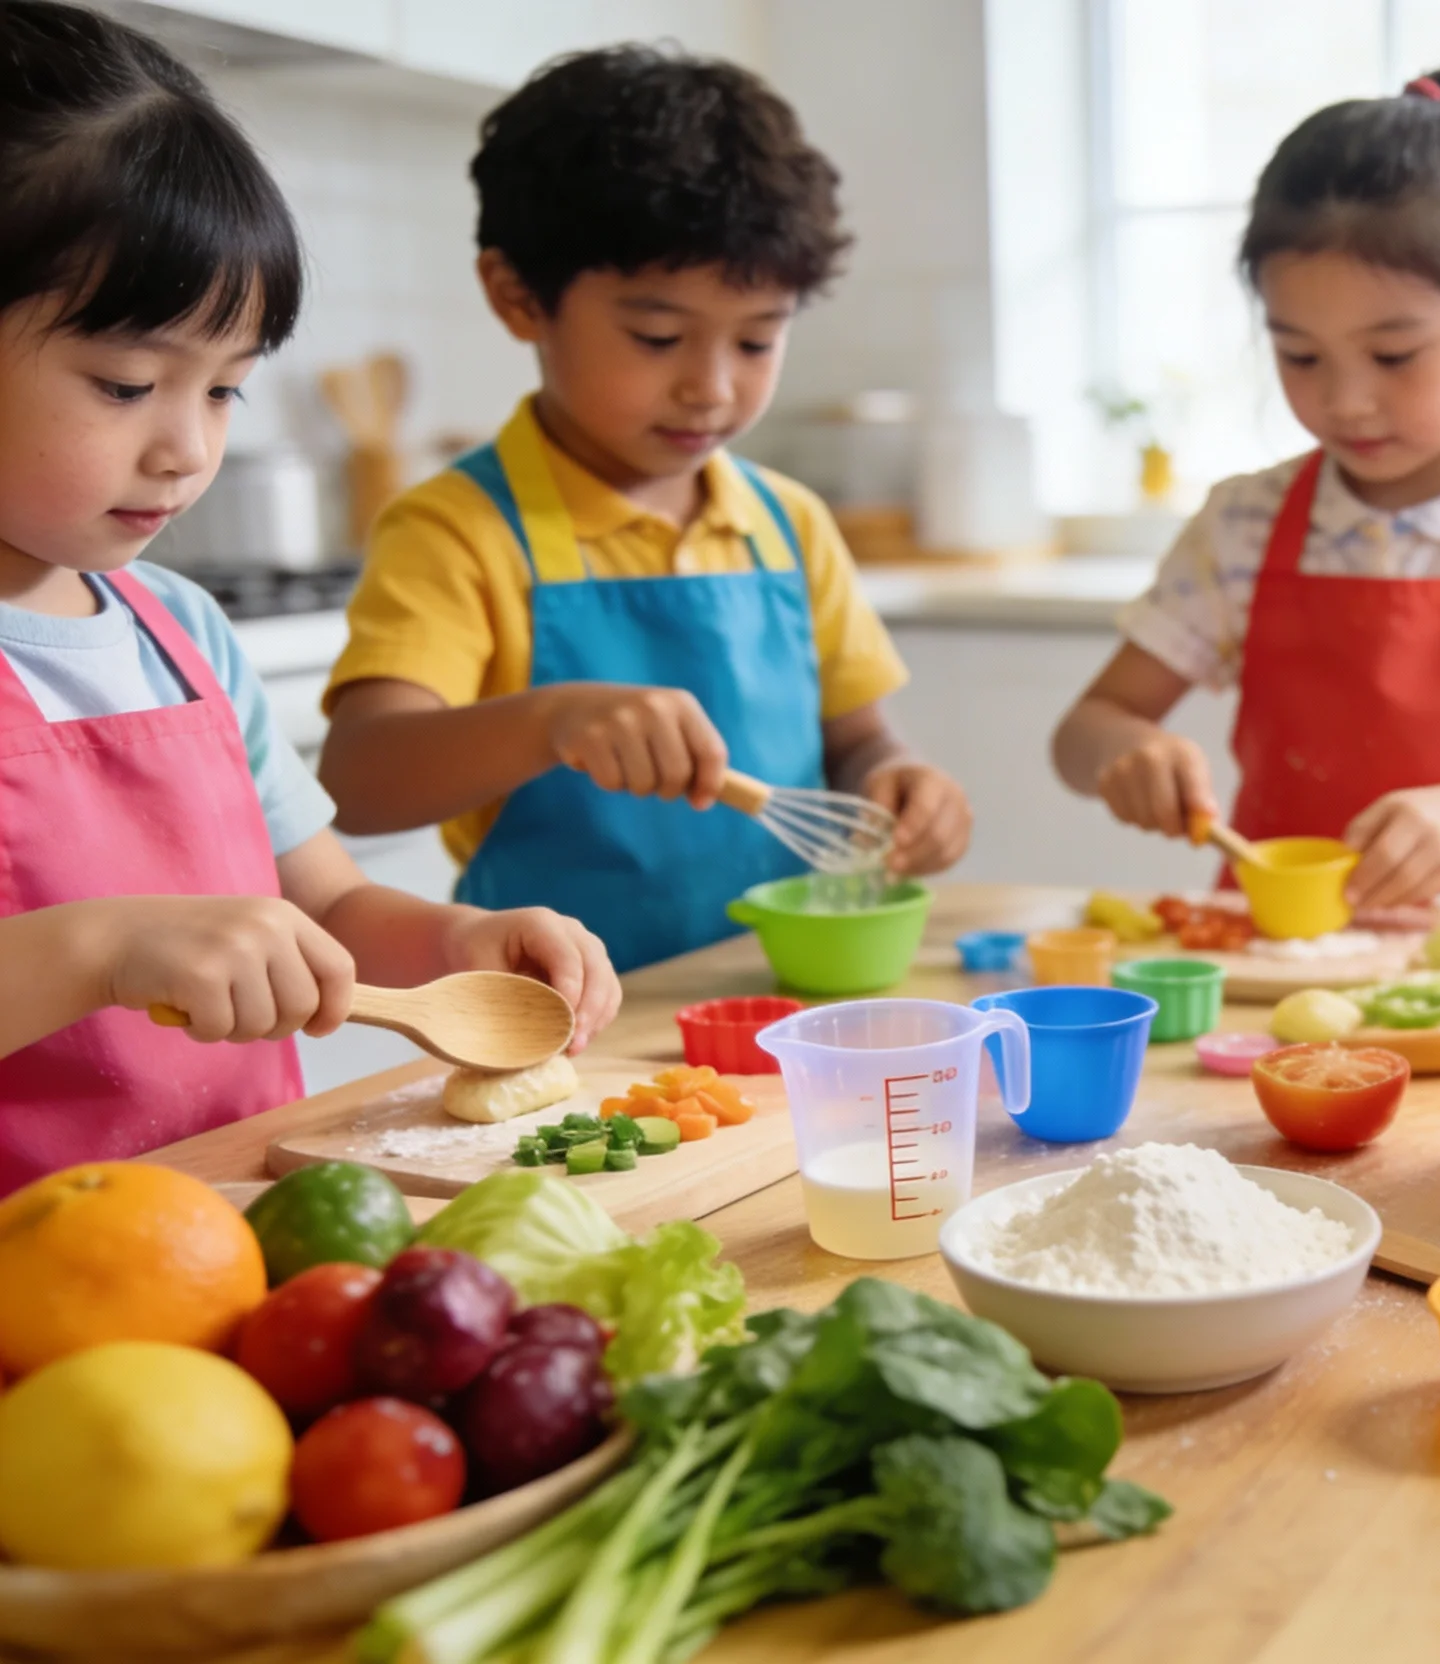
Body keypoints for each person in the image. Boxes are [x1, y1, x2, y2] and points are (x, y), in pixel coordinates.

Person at [0, 2, 618, 1191]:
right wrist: (101, 946)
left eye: (226, 389)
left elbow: (321, 894)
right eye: (128, 384)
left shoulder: (181, 632)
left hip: (236, 1232)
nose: (188, 447)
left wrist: (453, 948)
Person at [318, 47, 970, 973]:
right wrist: (552, 720)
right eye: (657, 336)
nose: (711, 387)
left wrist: (894, 783)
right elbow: (358, 781)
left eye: (756, 339)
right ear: (516, 297)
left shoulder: (788, 525)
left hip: (776, 998)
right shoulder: (457, 532)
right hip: (561, 1022)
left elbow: (856, 736)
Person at [1051, 71, 1440, 907]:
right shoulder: (1244, 524)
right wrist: (1126, 753)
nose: (1345, 400)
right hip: (1275, 957)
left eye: (1393, 355)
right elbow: (1080, 734)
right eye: (1300, 356)